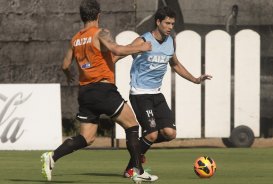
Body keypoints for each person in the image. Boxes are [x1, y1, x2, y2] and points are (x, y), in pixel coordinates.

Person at [40, 0, 158, 183]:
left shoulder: (76, 39)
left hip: (85, 92)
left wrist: (67, 76)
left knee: (87, 137)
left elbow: (64, 65)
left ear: (82, 16)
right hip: (104, 90)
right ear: (98, 15)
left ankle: (52, 157)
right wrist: (140, 47)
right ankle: (137, 171)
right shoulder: (100, 33)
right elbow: (116, 48)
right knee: (133, 126)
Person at [123, 6, 212, 177]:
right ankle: (132, 167)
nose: (170, 26)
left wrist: (195, 79)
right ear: (158, 22)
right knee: (152, 134)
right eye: (167, 23)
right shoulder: (143, 40)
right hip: (140, 94)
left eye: (172, 23)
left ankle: (137, 152)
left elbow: (175, 64)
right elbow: (120, 53)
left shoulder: (171, 41)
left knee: (170, 133)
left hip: (156, 94)